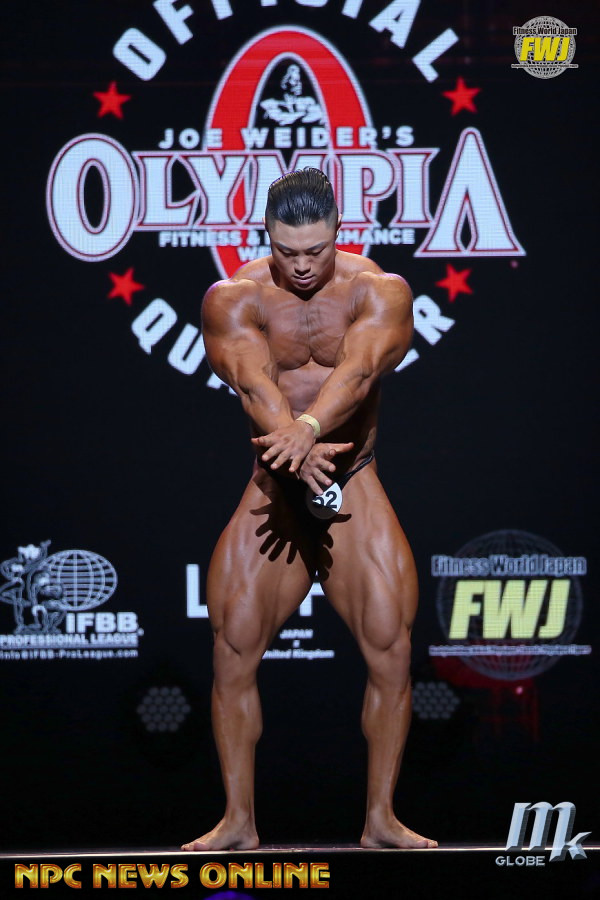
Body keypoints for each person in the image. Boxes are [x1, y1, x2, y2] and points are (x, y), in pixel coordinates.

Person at [182, 168, 436, 851]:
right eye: (286, 251)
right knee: (233, 645)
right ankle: (238, 821)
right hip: (275, 483)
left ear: (338, 233)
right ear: (266, 237)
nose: (301, 265)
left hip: (351, 476)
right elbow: (251, 380)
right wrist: (293, 442)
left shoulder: (378, 291)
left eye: (315, 251)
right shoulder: (234, 298)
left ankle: (381, 820)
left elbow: (360, 371)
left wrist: (312, 429)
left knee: (391, 646)